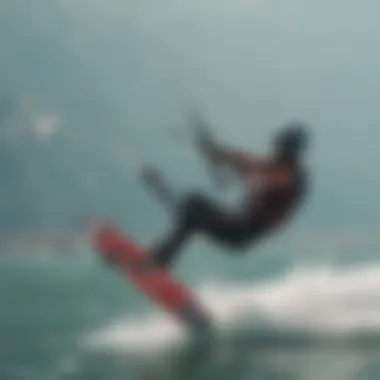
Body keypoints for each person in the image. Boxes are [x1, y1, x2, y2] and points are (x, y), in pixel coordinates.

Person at [141, 120, 309, 268]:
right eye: (276, 146)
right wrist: (215, 151)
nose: (275, 151)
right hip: (237, 223)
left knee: (193, 206)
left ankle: (161, 258)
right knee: (191, 210)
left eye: (280, 147)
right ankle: (162, 256)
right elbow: (246, 161)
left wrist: (239, 169)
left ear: (290, 150)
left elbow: (264, 178)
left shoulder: (292, 178)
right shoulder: (276, 167)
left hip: (243, 232)